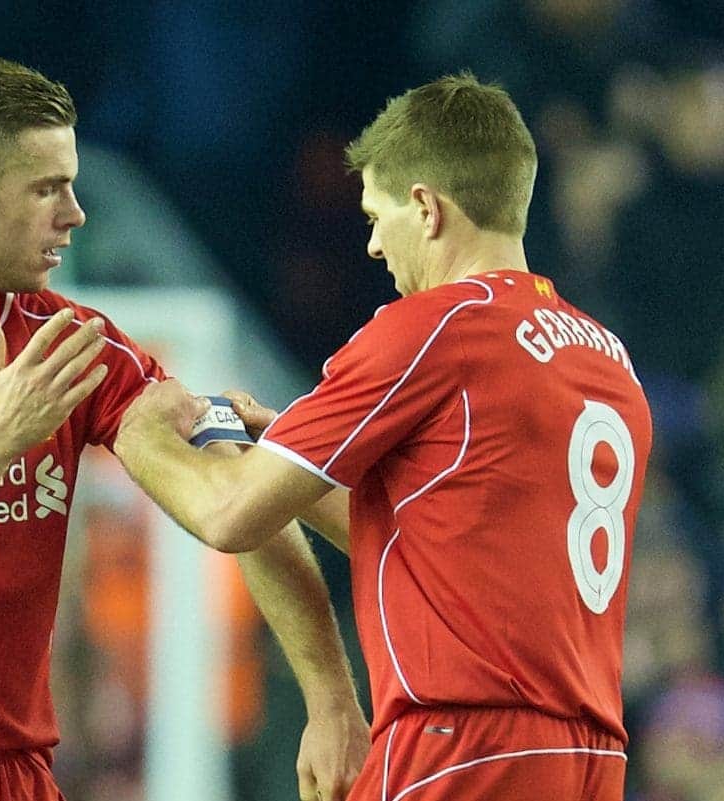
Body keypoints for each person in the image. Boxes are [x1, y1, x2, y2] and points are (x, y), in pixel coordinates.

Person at [0, 56, 368, 801]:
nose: (75, 213)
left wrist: (331, 695)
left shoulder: (76, 346)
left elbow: (238, 496)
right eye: (48, 188)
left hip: (12, 769)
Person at [116, 73, 653, 801]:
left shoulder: (433, 328)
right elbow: (446, 552)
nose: (370, 244)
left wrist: (136, 431)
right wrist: (296, 466)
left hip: (461, 747)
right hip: (587, 757)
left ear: (427, 208)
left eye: (377, 214)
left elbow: (229, 513)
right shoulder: (607, 359)